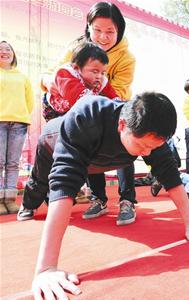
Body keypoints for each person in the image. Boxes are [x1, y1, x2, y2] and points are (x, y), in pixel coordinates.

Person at [18, 93, 189, 300]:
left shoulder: (149, 132)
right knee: (40, 183)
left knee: (155, 159)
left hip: (99, 158)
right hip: (53, 142)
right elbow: (64, 185)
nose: (148, 152)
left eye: (153, 147)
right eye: (142, 147)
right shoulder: (87, 115)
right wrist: (46, 268)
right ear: (122, 125)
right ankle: (27, 206)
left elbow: (171, 177)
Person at [40, 2, 137, 224]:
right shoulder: (77, 48)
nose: (103, 37)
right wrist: (49, 81)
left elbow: (119, 93)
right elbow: (52, 72)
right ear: (88, 27)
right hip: (81, 108)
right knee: (89, 145)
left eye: (110, 31)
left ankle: (127, 200)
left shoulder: (126, 58)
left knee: (125, 142)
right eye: (97, 30)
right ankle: (98, 198)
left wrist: (94, 96)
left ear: (119, 30)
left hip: (113, 107)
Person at [42, 41, 119, 121]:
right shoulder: (65, 74)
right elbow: (82, 100)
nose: (99, 76)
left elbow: (114, 98)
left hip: (75, 108)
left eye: (103, 72)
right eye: (95, 72)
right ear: (77, 68)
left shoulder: (101, 79)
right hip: (55, 111)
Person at [0, 41, 34, 215]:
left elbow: (29, 101)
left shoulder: (22, 76)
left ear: (13, 54)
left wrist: (21, 117)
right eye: (0, 49)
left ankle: (10, 200)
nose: (4, 52)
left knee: (13, 164)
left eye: (8, 49)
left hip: (18, 124)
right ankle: (0, 201)